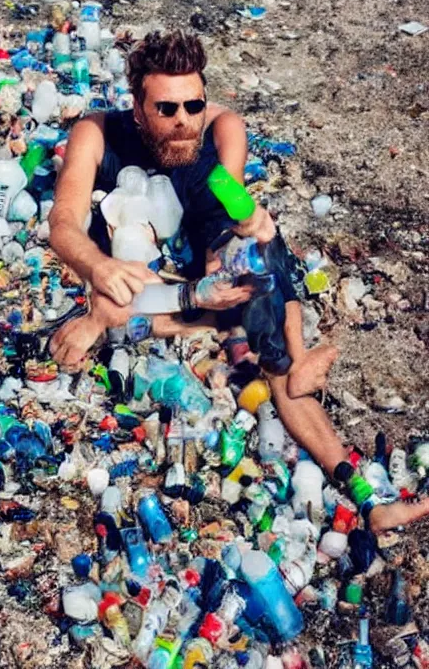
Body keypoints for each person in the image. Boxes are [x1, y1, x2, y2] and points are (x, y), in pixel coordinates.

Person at [47, 29, 429, 533]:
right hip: (135, 271)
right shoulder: (97, 133)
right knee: (120, 303)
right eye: (167, 109)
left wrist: (244, 231)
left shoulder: (224, 129)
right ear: (138, 109)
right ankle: (219, 328)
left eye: (193, 105)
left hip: (193, 270)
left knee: (265, 269)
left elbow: (229, 211)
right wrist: (98, 268)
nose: (184, 121)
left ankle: (366, 496)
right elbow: (63, 223)